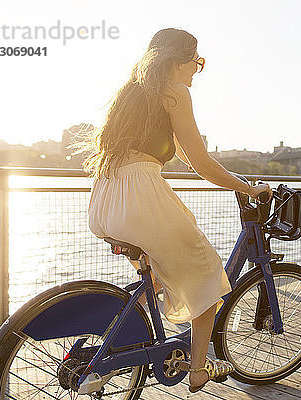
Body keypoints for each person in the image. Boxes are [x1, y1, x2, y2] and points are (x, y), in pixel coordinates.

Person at [73, 28, 271, 393]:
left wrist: (228, 174)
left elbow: (182, 151)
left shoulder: (133, 93)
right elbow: (201, 163)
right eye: (197, 62)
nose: (197, 71)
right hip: (141, 199)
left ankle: (123, 348)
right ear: (179, 60)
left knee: (157, 278)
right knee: (208, 278)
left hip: (105, 199)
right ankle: (198, 369)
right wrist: (248, 187)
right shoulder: (174, 91)